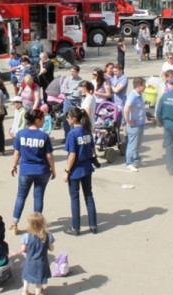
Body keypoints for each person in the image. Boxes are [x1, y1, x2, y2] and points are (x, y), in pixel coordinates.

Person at [9, 109, 55, 235]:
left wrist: (13, 165)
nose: (44, 122)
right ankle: (37, 227)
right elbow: (49, 156)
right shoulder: (44, 136)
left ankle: (14, 224)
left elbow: (17, 152)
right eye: (43, 119)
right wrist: (53, 170)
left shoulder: (21, 134)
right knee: (38, 197)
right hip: (42, 170)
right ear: (37, 120)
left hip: (25, 170)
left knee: (21, 196)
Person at [64, 106, 97, 235]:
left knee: (75, 198)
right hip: (87, 167)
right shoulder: (87, 131)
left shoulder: (72, 134)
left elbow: (72, 155)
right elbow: (92, 149)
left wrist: (66, 171)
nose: (67, 120)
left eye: (68, 118)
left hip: (75, 170)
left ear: (72, 119)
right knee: (88, 195)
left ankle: (76, 227)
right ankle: (93, 225)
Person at [21, 212, 55, 295]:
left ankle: (25, 291)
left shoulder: (26, 235)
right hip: (41, 262)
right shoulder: (48, 235)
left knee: (26, 276)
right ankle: (38, 293)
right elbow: (51, 248)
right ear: (43, 223)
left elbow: (23, 249)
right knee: (39, 281)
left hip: (30, 261)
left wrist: (24, 252)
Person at [123, 77, 146, 172]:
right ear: (139, 86)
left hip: (140, 123)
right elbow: (126, 109)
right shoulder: (132, 96)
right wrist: (128, 121)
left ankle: (137, 160)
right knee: (132, 145)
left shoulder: (139, 95)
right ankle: (129, 163)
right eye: (144, 85)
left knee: (138, 144)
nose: (145, 87)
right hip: (134, 125)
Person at [61, 65, 82, 139]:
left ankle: (73, 136)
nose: (72, 73)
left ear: (78, 72)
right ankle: (67, 136)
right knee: (65, 119)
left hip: (76, 102)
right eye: (71, 71)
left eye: (74, 72)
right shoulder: (67, 79)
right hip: (67, 101)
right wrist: (73, 90)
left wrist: (69, 90)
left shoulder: (81, 81)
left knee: (75, 119)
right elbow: (62, 90)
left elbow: (78, 93)